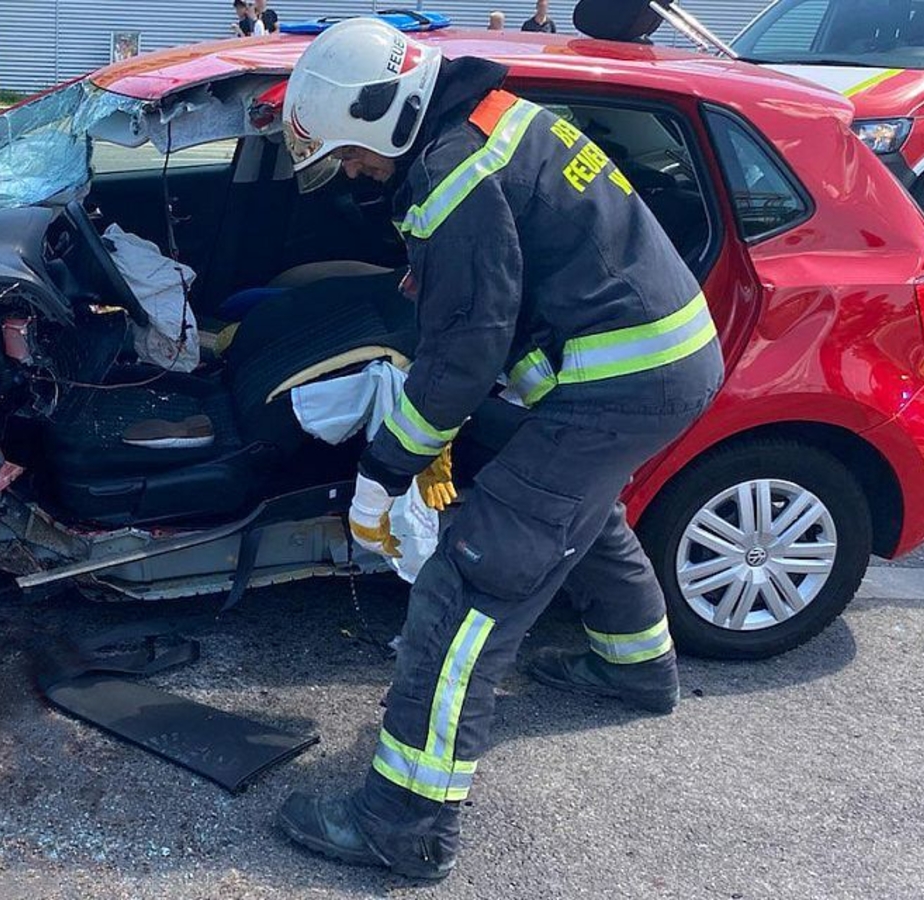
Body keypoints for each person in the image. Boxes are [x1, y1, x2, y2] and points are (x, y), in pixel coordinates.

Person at [275, 18, 723, 881]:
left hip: (620, 381)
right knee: (575, 514)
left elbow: (465, 352)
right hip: (661, 360)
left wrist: (383, 472)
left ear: (384, 116)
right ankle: (638, 670)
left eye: (353, 156)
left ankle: (402, 825)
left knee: (473, 578)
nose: (357, 174)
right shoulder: (487, 115)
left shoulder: (449, 174)